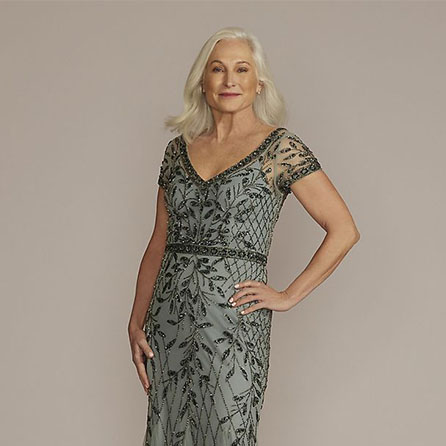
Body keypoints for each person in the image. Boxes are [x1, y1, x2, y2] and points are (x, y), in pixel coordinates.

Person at [128, 26, 360, 446]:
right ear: (203, 81)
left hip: (233, 323)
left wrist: (287, 295)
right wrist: (135, 321)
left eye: (241, 69)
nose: (229, 80)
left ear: (259, 83)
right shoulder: (177, 150)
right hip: (168, 321)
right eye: (218, 69)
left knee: (229, 434)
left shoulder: (280, 149)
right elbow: (158, 243)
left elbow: (343, 229)